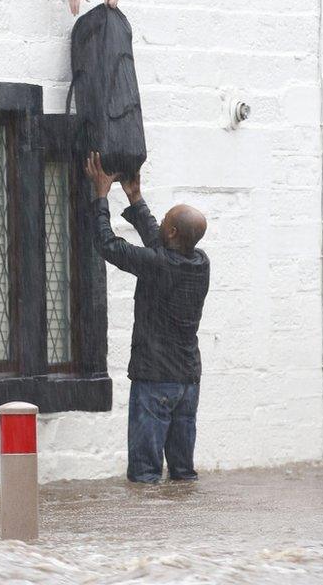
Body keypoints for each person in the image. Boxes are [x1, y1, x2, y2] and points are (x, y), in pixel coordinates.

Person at [84, 152, 210, 484]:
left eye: (164, 219)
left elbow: (108, 245)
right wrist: (135, 198)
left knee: (144, 476)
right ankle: (185, 533)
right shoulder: (200, 262)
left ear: (170, 232)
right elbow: (164, 242)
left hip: (155, 380)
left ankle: (149, 535)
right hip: (187, 381)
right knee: (183, 474)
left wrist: (100, 196)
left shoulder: (160, 265)